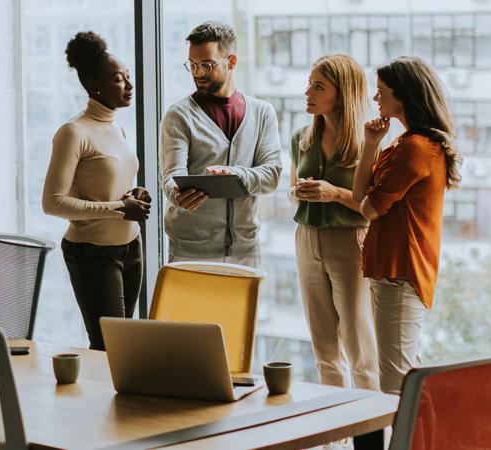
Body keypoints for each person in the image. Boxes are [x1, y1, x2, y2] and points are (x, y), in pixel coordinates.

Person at [353, 56, 462, 394]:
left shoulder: (416, 148)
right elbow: (361, 198)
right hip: (391, 270)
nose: (375, 99)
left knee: (395, 383)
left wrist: (374, 155)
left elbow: (368, 209)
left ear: (404, 96)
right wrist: (371, 144)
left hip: (400, 272)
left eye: (381, 91)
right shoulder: (405, 143)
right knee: (400, 374)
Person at [42, 31, 150, 351]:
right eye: (119, 79)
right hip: (92, 253)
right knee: (108, 346)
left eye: (128, 76)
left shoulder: (116, 125)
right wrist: (118, 207)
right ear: (93, 86)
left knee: (121, 344)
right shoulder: (73, 132)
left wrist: (134, 195)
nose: (129, 85)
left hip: (131, 246)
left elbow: (110, 182)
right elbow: (53, 202)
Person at [290, 54, 379, 393]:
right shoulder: (302, 138)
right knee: (324, 349)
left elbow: (374, 207)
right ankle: (334, 440)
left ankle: (370, 436)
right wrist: (300, 193)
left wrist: (335, 193)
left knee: (360, 349)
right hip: (306, 240)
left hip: (350, 242)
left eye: (318, 86)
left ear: (342, 93)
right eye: (309, 84)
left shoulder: (367, 143)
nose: (307, 93)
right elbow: (293, 191)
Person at [159, 21, 282, 268]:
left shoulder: (262, 113)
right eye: (192, 65)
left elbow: (272, 174)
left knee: (240, 310)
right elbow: (172, 176)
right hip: (191, 250)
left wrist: (233, 175)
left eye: (207, 65)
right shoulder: (179, 115)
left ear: (231, 62)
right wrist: (177, 195)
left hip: (245, 250)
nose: (198, 73)